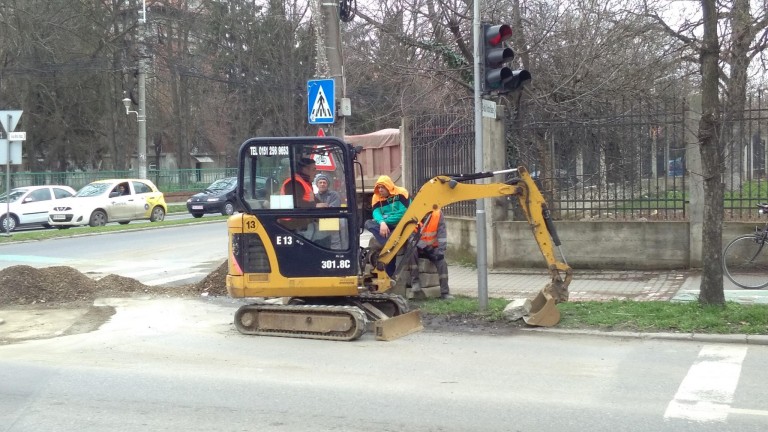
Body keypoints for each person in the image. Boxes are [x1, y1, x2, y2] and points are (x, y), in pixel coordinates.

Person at [364, 175, 410, 276]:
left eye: (382, 187)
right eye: (378, 187)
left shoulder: (402, 193)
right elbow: (376, 213)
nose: (380, 190)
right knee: (368, 223)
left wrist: (385, 220)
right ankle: (388, 241)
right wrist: (382, 222)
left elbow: (404, 212)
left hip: (399, 224)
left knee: (389, 248)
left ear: (388, 186)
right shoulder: (376, 197)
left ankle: (388, 242)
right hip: (385, 226)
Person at [409, 209, 453, 300]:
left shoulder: (437, 214)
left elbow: (442, 233)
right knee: (412, 251)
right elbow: (410, 237)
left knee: (442, 263)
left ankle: (445, 292)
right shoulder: (412, 212)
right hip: (419, 248)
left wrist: (441, 251)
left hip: (433, 248)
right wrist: (424, 246)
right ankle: (415, 282)